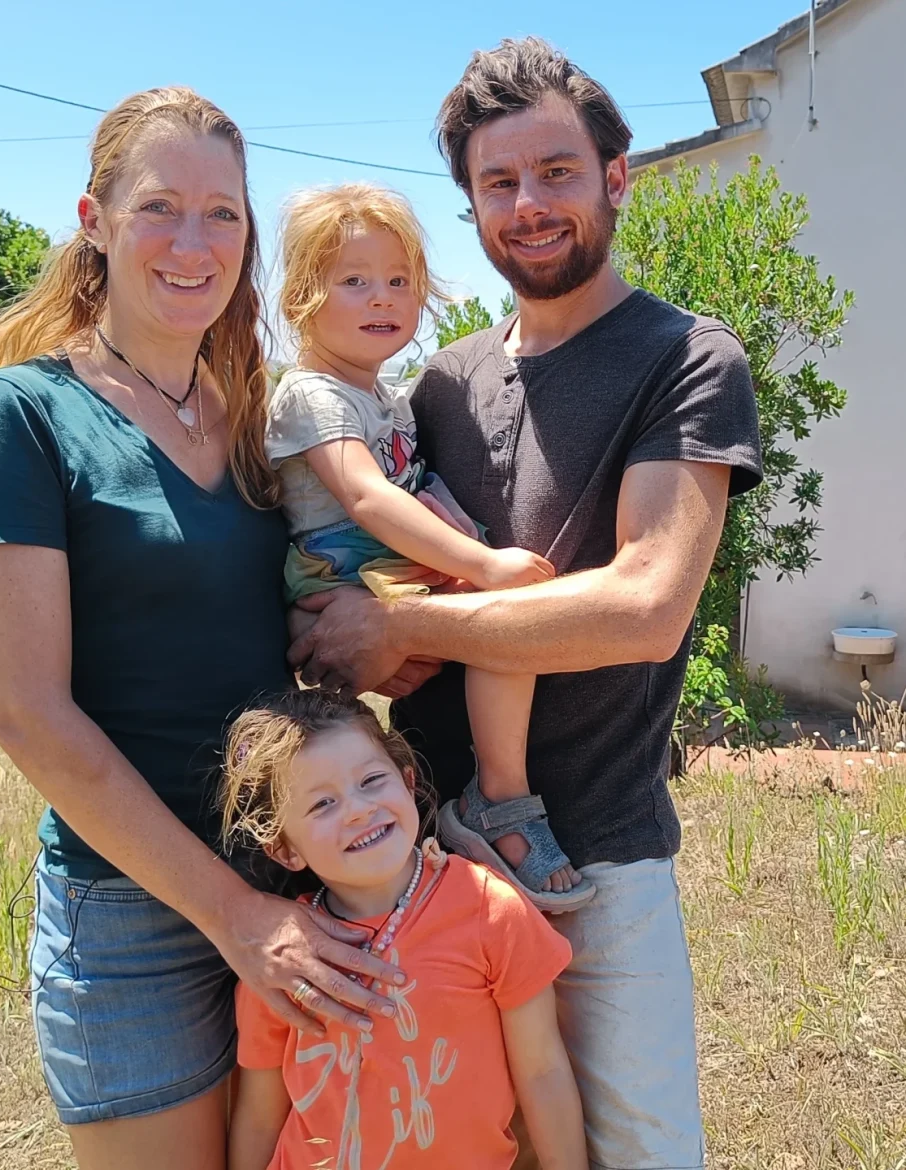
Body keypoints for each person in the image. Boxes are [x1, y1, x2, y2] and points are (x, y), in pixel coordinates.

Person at [289, 38, 763, 1170]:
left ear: (617, 175)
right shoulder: (442, 380)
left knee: (640, 1149)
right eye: (497, 182)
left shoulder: (686, 359)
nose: (529, 205)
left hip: (596, 856)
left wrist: (403, 626)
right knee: (478, 1147)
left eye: (556, 171)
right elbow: (361, 560)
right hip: (417, 862)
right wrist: (338, 636)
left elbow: (645, 607)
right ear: (472, 206)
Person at [0, 88, 409, 1170]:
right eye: (160, 207)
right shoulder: (22, 415)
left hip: (299, 869)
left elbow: (299, 615)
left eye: (222, 214)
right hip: (133, 914)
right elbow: (26, 716)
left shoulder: (253, 420)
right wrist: (234, 916)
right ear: (94, 221)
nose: (195, 243)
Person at [267, 183, 592, 910]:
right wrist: (482, 564)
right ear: (302, 297)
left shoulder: (382, 394)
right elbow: (365, 496)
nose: (381, 298)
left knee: (501, 621)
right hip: (347, 562)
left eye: (398, 281)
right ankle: (500, 799)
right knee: (505, 614)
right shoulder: (313, 393)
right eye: (354, 281)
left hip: (376, 562)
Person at [220, 689, 588, 1170]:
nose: (358, 809)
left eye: (371, 780)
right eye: (322, 803)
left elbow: (542, 1072)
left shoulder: (490, 909)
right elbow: (260, 1116)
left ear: (408, 780)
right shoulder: (278, 957)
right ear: (284, 850)